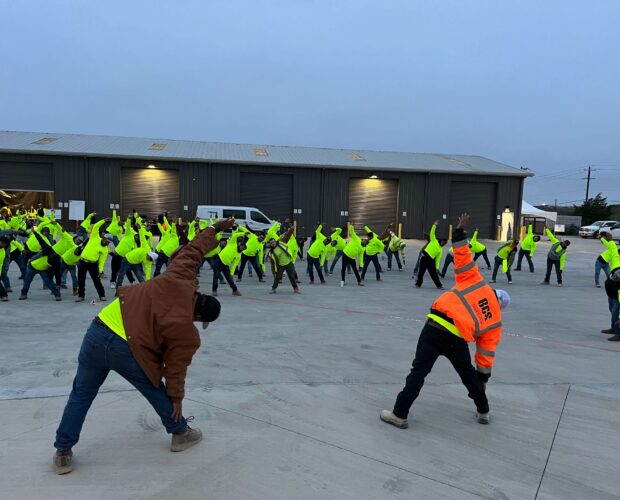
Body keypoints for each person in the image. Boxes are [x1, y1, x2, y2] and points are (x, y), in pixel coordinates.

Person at [52, 218, 232, 475]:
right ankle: (180, 432)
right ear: (200, 318)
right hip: (126, 349)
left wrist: (215, 229)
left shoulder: (180, 276)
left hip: (97, 330)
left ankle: (63, 452)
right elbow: (175, 371)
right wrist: (177, 400)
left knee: (80, 395)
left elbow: (194, 249)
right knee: (153, 388)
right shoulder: (187, 334)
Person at [380, 213, 509, 429]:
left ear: (494, 292)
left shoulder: (477, 282)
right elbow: (486, 354)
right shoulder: (495, 320)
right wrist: (483, 378)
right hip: (457, 339)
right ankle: (484, 411)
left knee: (419, 372)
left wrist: (460, 231)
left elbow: (462, 255)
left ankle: (399, 414)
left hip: (435, 328)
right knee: (468, 375)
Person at [76, 218, 109, 302]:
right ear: (103, 237)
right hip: (82, 261)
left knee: (96, 280)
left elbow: (102, 261)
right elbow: (95, 227)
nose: (107, 242)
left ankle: (102, 295)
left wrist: (100, 270)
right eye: (106, 240)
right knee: (81, 279)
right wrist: (104, 220)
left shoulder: (105, 250)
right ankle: (81, 296)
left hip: (93, 264)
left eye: (108, 242)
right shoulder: (94, 237)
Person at [266, 226, 301, 294]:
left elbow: (287, 236)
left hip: (288, 262)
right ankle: (273, 289)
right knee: (277, 278)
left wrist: (291, 230)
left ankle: (295, 288)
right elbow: (272, 265)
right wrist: (274, 273)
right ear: (270, 245)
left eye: (274, 242)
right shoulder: (271, 253)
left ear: (275, 242)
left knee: (291, 276)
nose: (273, 244)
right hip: (280, 265)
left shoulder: (281, 243)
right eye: (271, 243)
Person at [415, 221, 446, 289]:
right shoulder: (434, 240)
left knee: (434, 274)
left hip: (431, 260)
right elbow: (432, 232)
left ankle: (439, 285)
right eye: (443, 241)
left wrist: (437, 268)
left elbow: (438, 259)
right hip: (424, 257)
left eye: (444, 243)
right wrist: (434, 225)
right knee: (421, 272)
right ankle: (418, 284)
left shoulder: (440, 250)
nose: (443, 243)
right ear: (440, 240)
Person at [603, 270, 620, 341]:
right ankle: (613, 328)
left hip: (617, 298)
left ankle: (619, 334)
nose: (615, 277)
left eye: (617, 277)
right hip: (613, 296)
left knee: (615, 314)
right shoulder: (609, 282)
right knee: (612, 312)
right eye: (615, 276)